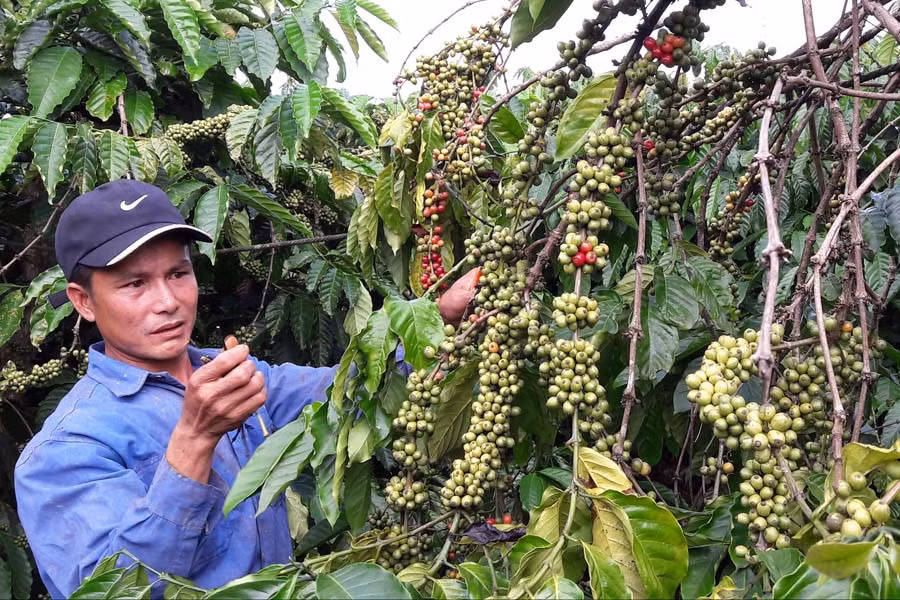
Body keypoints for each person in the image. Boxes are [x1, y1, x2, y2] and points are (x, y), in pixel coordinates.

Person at [14, 180, 476, 598]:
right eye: (135, 284)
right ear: (83, 301)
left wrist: (440, 318)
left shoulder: (232, 375)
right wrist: (194, 441)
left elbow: (345, 390)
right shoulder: (64, 450)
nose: (168, 302)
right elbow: (114, 591)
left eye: (178, 274)